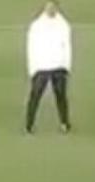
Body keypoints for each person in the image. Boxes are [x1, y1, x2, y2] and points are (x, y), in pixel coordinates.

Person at [26, 1, 72, 134]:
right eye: (48, 6)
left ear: (57, 8)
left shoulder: (63, 25)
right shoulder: (37, 26)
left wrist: (66, 66)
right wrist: (32, 68)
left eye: (53, 7)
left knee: (61, 96)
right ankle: (29, 124)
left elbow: (67, 47)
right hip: (41, 66)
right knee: (35, 95)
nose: (51, 9)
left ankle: (64, 123)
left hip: (59, 65)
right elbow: (31, 47)